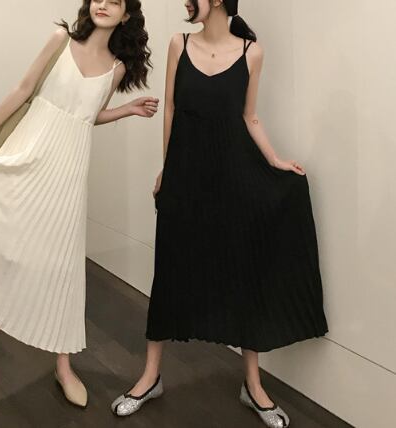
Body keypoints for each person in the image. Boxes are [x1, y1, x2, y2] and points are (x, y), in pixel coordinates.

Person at [110, 1, 328, 427]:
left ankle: (253, 385)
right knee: (170, 270)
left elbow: (250, 117)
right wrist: (168, 169)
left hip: (235, 176)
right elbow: (171, 110)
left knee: (243, 271)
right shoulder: (179, 44)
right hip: (186, 175)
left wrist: (276, 161)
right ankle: (150, 377)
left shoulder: (252, 52)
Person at [0, 0, 158, 425]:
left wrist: (127, 109)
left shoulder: (116, 69)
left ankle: (62, 364)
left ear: (126, 15)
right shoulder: (61, 40)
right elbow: (23, 90)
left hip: (69, 173)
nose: (103, 4)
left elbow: (86, 115)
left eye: (115, 1)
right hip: (29, 155)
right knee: (3, 253)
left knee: (62, 265)